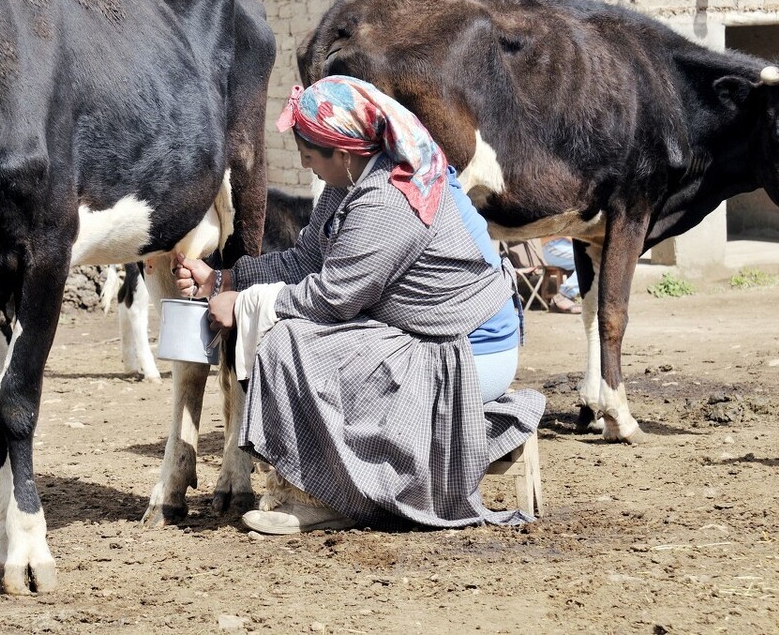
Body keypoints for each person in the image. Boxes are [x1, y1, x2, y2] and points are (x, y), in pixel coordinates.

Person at [175, 76, 544, 535]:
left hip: (465, 350)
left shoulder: (390, 196)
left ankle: (326, 497)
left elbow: (335, 297)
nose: (308, 168)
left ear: (344, 153)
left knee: (292, 341)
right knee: (291, 331)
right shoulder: (351, 181)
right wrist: (225, 278)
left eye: (311, 158)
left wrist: (246, 304)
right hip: (421, 333)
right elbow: (308, 258)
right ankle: (330, 487)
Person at [542, 237, 582, 315]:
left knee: (598, 258)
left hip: (568, 245)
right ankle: (563, 296)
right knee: (591, 259)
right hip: (554, 245)